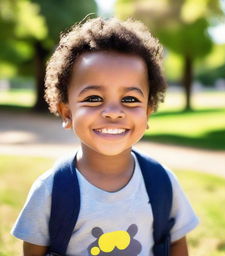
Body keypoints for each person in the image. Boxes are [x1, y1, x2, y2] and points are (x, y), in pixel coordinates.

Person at [11, 17, 199, 256]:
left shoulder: (161, 182)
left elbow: (175, 243)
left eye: (130, 99)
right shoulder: (50, 190)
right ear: (66, 112)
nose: (113, 112)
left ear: (147, 112)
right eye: (93, 98)